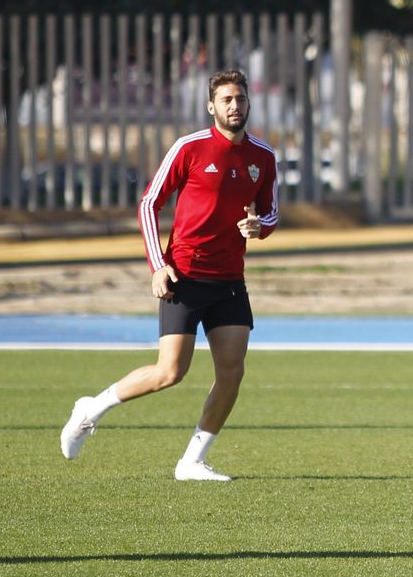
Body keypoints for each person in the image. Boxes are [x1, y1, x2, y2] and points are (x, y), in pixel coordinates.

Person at [59, 69, 278, 480]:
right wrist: (158, 265)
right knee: (170, 372)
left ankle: (192, 461)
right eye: (227, 100)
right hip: (185, 275)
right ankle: (91, 408)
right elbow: (148, 204)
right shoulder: (189, 148)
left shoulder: (263, 156)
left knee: (232, 373)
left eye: (241, 99)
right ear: (211, 107)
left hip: (230, 280)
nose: (235, 106)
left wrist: (258, 227)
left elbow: (270, 213)